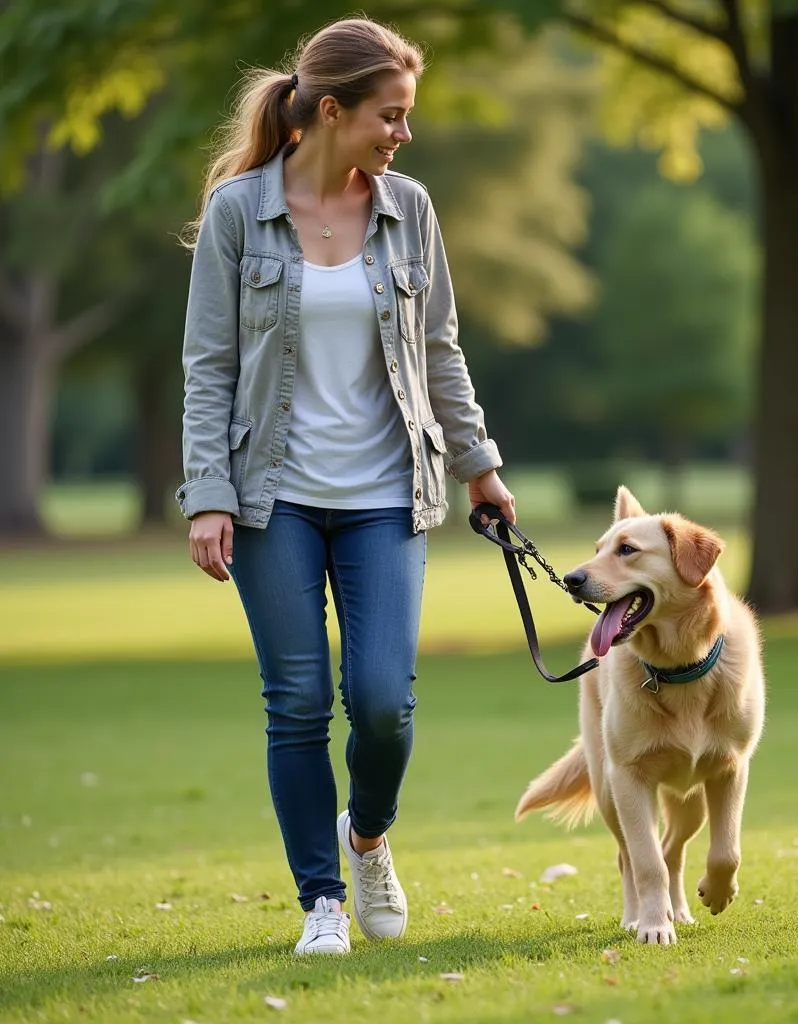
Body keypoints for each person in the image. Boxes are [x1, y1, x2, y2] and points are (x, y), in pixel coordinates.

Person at [176, 16, 515, 955]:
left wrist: (479, 465)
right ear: (332, 110)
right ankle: (321, 902)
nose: (403, 133)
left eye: (406, 116)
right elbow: (208, 363)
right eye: (391, 114)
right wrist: (206, 490)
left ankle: (366, 837)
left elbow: (439, 348)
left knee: (381, 702)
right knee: (296, 699)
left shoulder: (410, 209)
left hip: (384, 494)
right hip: (268, 497)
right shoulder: (240, 213)